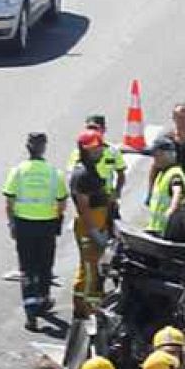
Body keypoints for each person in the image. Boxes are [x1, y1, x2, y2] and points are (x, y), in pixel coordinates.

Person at [2, 132, 69, 329]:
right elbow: (62, 201)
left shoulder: (18, 171)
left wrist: (12, 223)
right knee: (45, 264)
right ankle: (43, 299)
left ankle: (30, 312)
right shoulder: (53, 173)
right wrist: (56, 218)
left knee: (28, 267)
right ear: (44, 147)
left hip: (24, 224)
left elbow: (9, 201)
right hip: (46, 224)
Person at [69, 129, 113, 318]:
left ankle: (93, 305)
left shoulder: (90, 170)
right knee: (89, 269)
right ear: (85, 150)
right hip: (90, 225)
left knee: (94, 268)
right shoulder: (83, 174)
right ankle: (84, 308)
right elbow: (83, 207)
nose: (100, 152)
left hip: (97, 221)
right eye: (96, 149)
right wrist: (94, 231)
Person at [65, 114, 127, 202]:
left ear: (104, 129)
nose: (92, 131)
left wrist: (117, 192)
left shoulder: (113, 151)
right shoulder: (78, 152)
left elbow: (121, 173)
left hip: (106, 196)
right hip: (85, 196)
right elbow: (71, 176)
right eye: (89, 128)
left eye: (96, 128)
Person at [145, 137, 185, 236]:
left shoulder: (175, 173)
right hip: (156, 230)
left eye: (157, 155)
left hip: (168, 232)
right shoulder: (162, 173)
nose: (154, 159)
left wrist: (171, 210)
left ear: (167, 155)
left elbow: (178, 192)